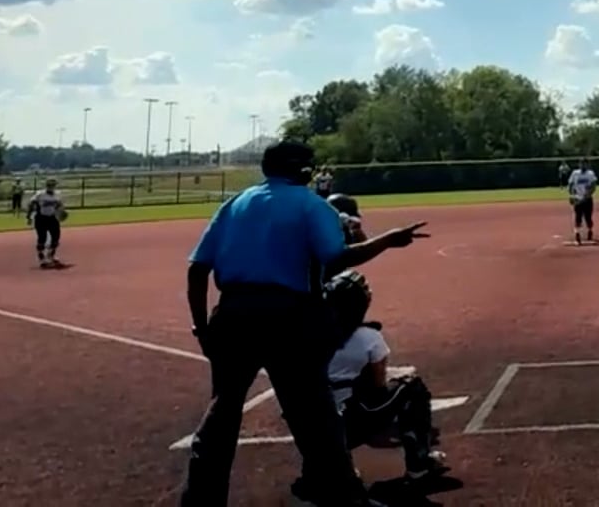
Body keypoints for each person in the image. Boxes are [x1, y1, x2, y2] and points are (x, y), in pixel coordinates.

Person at [179, 140, 428, 507]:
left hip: (233, 316)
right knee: (317, 421)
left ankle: (200, 502)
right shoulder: (312, 205)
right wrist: (388, 240)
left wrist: (202, 328)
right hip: (291, 320)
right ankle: (345, 499)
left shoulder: (235, 204)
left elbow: (197, 268)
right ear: (303, 170)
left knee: (220, 419)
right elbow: (336, 258)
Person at [312, 271, 447, 501]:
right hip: (351, 424)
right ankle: (419, 464)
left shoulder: (310, 335)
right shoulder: (368, 337)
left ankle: (324, 471)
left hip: (311, 426)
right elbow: (378, 387)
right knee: (413, 387)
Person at [26, 178, 68, 268]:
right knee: (42, 237)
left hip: (52, 218)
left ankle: (51, 255)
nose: (51, 186)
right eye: (49, 184)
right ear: (46, 185)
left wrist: (61, 212)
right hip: (41, 218)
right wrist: (29, 216)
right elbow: (31, 204)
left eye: (53, 184)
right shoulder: (40, 194)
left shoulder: (57, 195)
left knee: (56, 237)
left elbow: (59, 205)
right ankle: (41, 257)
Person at [567, 160, 599, 245]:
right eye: (581, 164)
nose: (582, 165)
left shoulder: (590, 174)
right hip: (578, 198)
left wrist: (588, 194)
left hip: (587, 199)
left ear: (587, 165)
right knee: (578, 217)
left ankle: (590, 230)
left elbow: (593, 186)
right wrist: (572, 195)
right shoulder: (575, 173)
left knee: (588, 218)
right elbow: (570, 184)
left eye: (584, 164)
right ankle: (577, 233)